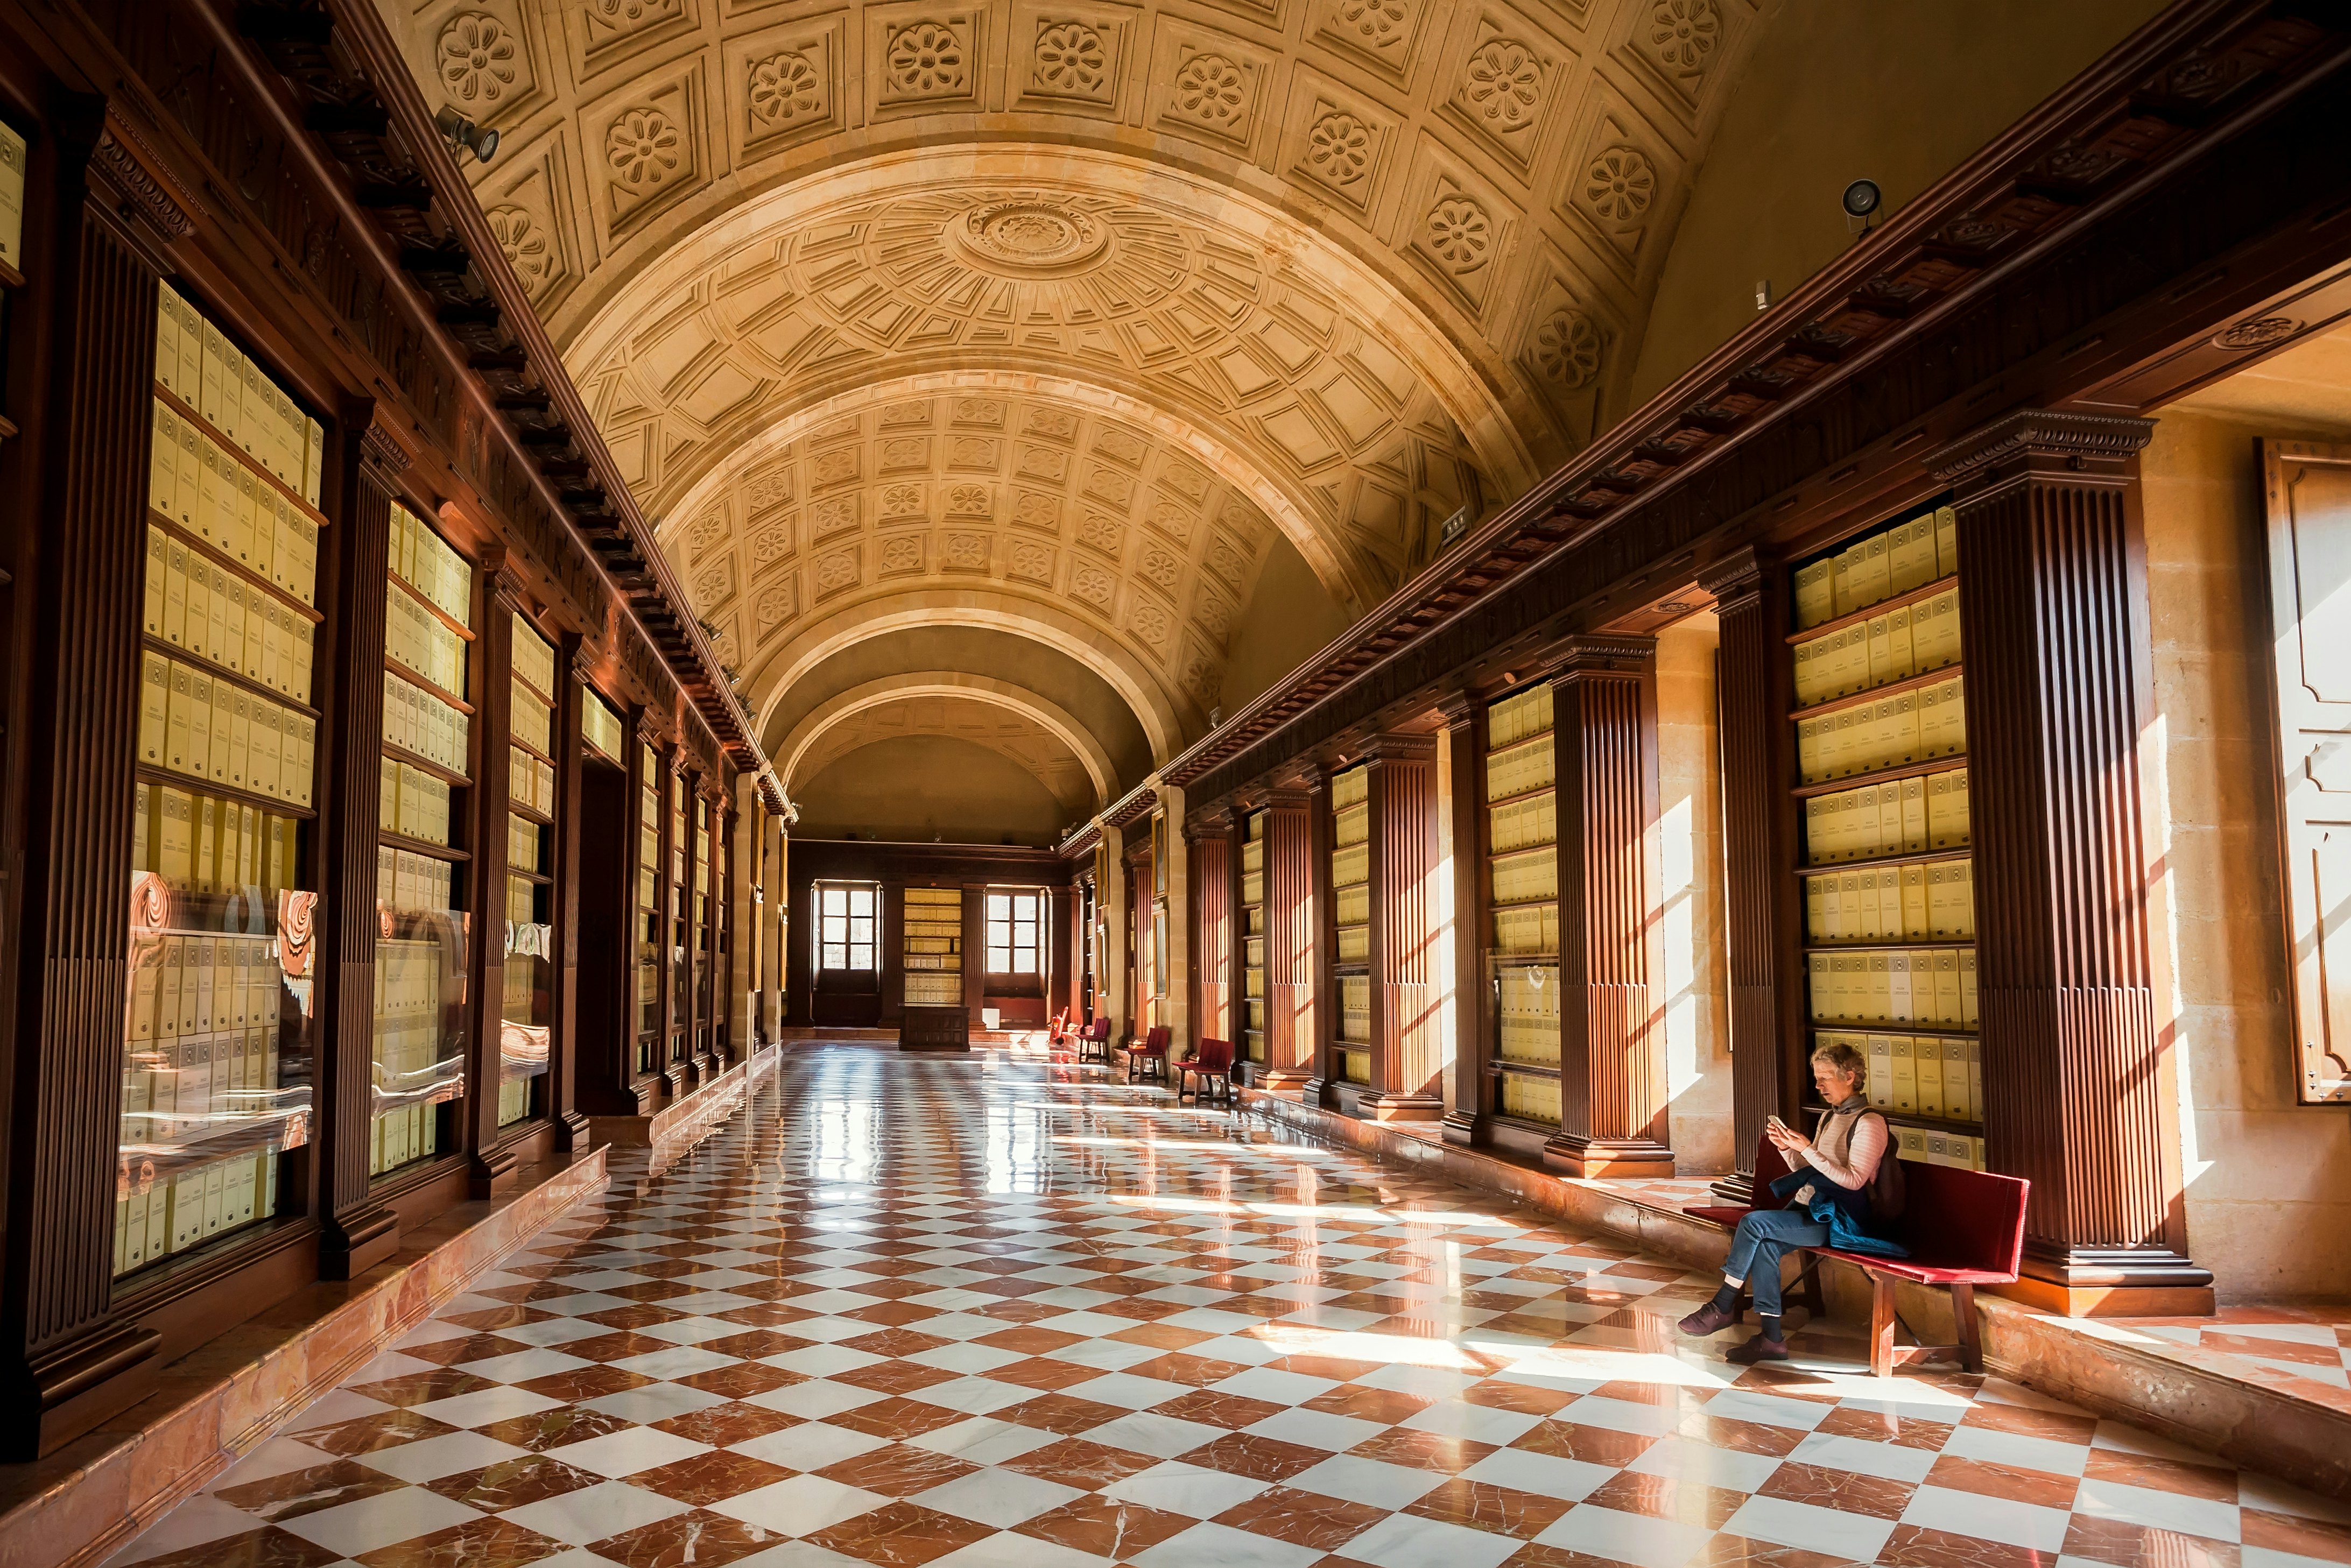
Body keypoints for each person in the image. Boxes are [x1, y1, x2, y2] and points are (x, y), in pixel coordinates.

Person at [1676, 1041, 1905, 1363]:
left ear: (1850, 1076)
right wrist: (1787, 1149)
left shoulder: (1869, 1123)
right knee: (1766, 1245)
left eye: (1826, 1077)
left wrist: (1809, 1148)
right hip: (1809, 1207)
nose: (1818, 1084)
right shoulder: (1829, 1117)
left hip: (1840, 1219)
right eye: (1817, 1077)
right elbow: (1810, 1172)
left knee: (1754, 1223)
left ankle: (1723, 1304)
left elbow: (1853, 1183)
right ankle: (1772, 1340)